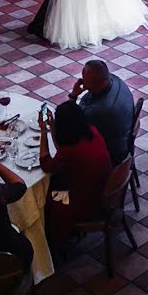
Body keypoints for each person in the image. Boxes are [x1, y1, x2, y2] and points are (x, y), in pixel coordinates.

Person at [39, 100, 112, 245]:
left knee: (42, 200)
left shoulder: (70, 150)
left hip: (87, 204)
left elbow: (46, 164)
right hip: (104, 190)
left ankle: (52, 243)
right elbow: (63, 148)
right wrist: (52, 127)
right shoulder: (91, 131)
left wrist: (43, 132)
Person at [70, 59, 135, 166]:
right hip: (122, 142)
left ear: (99, 83)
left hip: (110, 156)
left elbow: (71, 122)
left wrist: (73, 96)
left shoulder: (101, 111)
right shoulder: (115, 81)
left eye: (86, 82)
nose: (83, 84)